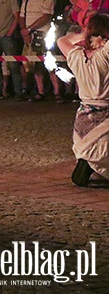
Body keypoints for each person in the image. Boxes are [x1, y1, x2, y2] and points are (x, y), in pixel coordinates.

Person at [56, 14, 109, 187]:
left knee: (95, 149)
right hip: (105, 113)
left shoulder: (76, 56)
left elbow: (62, 40)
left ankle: (90, 168)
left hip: (84, 116)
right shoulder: (104, 56)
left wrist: (83, 35)